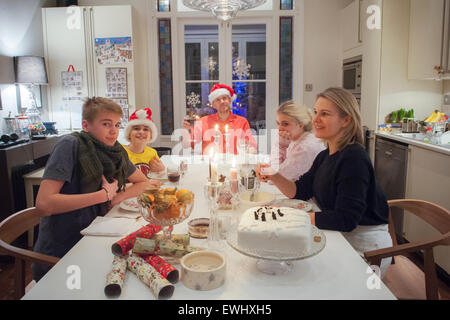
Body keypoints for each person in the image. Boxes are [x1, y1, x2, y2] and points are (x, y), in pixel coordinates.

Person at [258, 87, 392, 278]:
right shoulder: (324, 155)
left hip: (365, 248)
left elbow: (346, 219)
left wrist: (292, 217)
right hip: (340, 235)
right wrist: (272, 174)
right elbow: (298, 191)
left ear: (346, 120)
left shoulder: (354, 157)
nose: (315, 119)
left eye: (325, 114)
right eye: (315, 112)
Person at [32, 97, 160, 281]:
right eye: (106, 124)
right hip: (64, 250)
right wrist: (102, 196)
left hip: (96, 235)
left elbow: (143, 182)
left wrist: (115, 198)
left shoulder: (115, 151)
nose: (113, 131)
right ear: (86, 125)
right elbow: (44, 204)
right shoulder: (70, 145)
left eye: (117, 124)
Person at [256, 100, 325, 181]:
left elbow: (279, 178)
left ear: (300, 125)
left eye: (285, 124)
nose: (279, 128)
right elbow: (277, 168)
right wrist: (264, 170)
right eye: (278, 123)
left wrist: (280, 146)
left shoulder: (305, 147)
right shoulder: (294, 138)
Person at [181, 83, 257, 155]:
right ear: (213, 105)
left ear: (230, 100)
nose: (222, 102)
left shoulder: (242, 122)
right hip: (211, 165)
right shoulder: (204, 121)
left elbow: (252, 145)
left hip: (234, 165)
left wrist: (249, 153)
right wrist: (186, 130)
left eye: (224, 98)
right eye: (218, 100)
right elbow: (186, 145)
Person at [123, 107, 165, 177]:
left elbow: (158, 176)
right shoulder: (121, 152)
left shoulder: (152, 153)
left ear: (151, 136)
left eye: (146, 129)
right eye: (136, 128)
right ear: (129, 134)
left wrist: (162, 169)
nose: (141, 132)